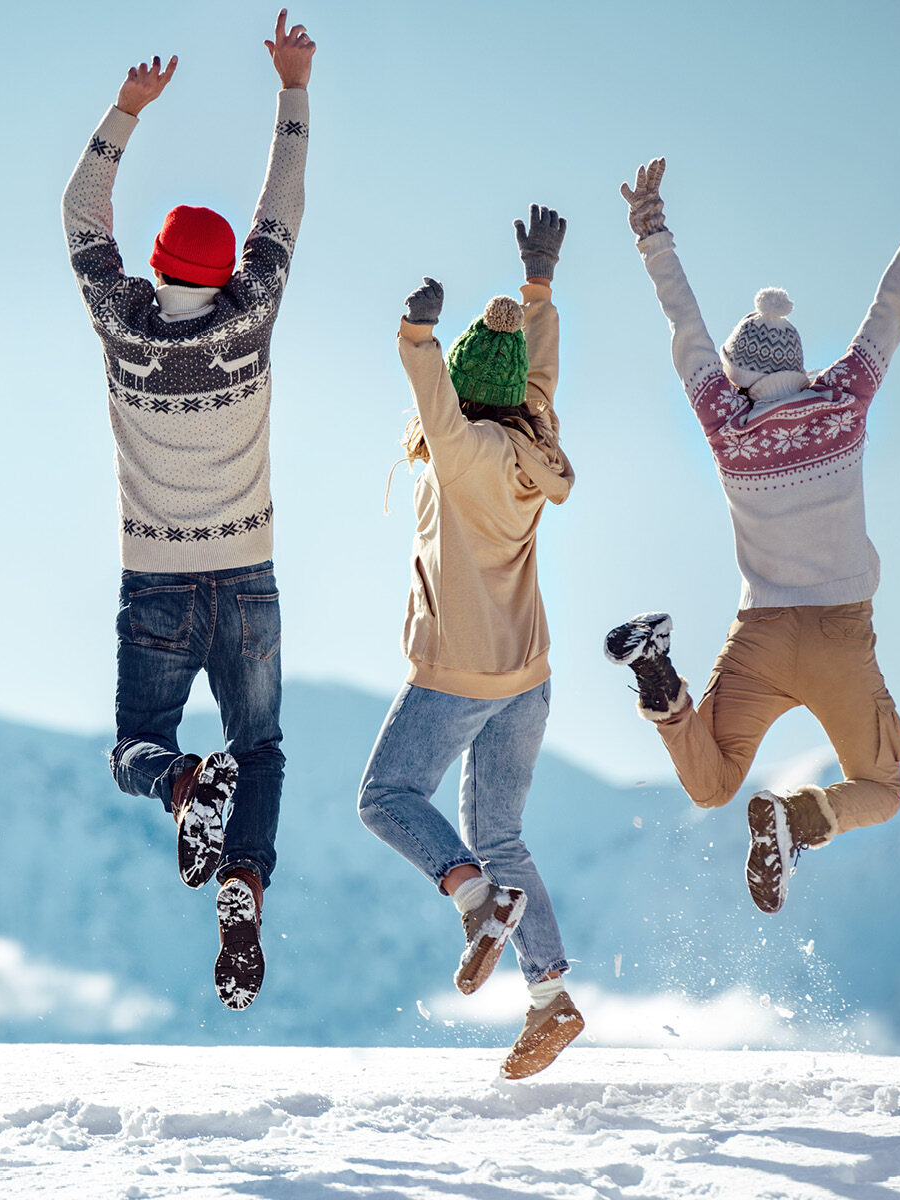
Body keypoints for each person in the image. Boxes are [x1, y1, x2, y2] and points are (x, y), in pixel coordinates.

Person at [61, 10, 314, 1010]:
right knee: (262, 754)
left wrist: (126, 110)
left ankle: (175, 784)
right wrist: (293, 89)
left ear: (158, 266)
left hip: (156, 581)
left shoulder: (123, 324)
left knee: (135, 745)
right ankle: (243, 879)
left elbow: (81, 213)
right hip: (248, 578)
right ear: (222, 274)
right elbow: (281, 208)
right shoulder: (251, 318)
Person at [606, 158, 900, 914]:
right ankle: (797, 821)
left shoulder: (727, 426)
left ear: (738, 376)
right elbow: (891, 306)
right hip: (841, 637)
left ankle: (657, 676)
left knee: (711, 784)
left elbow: (687, 328)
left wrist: (652, 234)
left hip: (762, 636)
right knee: (880, 790)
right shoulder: (843, 402)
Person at [357, 208, 584, 1079]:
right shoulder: (535, 438)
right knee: (501, 833)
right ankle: (550, 997)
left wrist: (417, 336)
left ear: (459, 387)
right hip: (528, 674)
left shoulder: (461, 452)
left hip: (458, 671)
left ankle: (477, 900)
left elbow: (433, 403)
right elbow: (539, 375)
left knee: (385, 797)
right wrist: (538, 286)